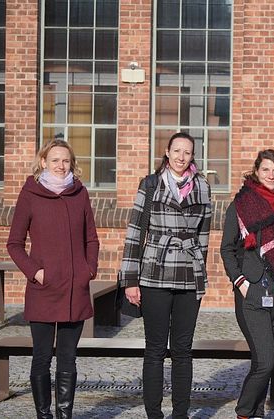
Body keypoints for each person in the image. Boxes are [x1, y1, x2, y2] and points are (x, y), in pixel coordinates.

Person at [118, 132, 211, 419]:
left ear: (192, 156)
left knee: (183, 349)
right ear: (167, 153)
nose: (182, 157)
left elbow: (204, 235)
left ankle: (180, 414)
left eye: (187, 152)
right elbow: (135, 233)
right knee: (155, 349)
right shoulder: (151, 183)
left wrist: (200, 274)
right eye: (177, 151)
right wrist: (130, 280)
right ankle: (154, 414)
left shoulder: (204, 187)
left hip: (188, 274)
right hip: (154, 272)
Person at [7, 139, 99, 419]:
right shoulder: (30, 194)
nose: (61, 165)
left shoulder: (79, 193)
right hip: (43, 289)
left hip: (75, 288)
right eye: (55, 160)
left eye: (66, 160)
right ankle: (44, 415)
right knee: (42, 357)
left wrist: (88, 271)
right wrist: (36, 272)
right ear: (43, 162)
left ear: (72, 164)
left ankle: (64, 415)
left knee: (68, 358)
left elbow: (91, 239)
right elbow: (14, 243)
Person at [220, 149, 274, 419]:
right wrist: (241, 282)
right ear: (256, 171)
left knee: (264, 361)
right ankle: (244, 412)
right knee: (265, 361)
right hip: (252, 294)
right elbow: (227, 249)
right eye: (266, 169)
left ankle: (255, 413)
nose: (271, 174)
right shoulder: (241, 205)